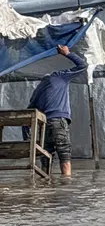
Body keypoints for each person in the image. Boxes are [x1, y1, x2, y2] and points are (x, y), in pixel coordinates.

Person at [28, 44, 87, 177]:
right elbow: (82, 66)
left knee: (46, 157)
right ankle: (65, 186)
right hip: (58, 122)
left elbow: (28, 113)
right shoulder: (59, 76)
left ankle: (46, 185)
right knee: (64, 155)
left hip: (44, 127)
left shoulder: (38, 90)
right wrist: (67, 53)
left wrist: (27, 138)